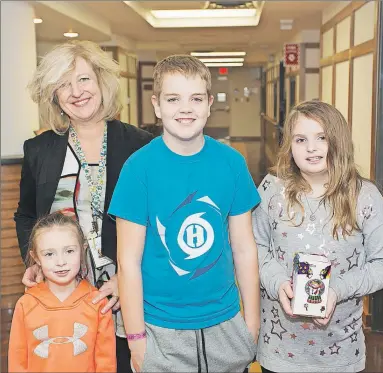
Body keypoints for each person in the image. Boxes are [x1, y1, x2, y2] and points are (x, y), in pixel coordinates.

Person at [108, 55, 261, 372]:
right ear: (157, 105)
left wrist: (252, 323)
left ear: (209, 104)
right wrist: (136, 338)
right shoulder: (139, 169)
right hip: (158, 326)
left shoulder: (231, 163)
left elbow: (244, 248)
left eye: (195, 98)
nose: (185, 108)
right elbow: (128, 262)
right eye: (173, 99)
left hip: (225, 322)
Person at [14, 40, 152, 373]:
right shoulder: (38, 150)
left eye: (83, 79)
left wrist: (126, 276)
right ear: (54, 97)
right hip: (66, 292)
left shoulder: (140, 145)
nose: (76, 91)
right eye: (63, 85)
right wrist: (33, 258)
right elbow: (27, 214)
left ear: (101, 82)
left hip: (125, 291)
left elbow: (156, 220)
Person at [252, 100, 383, 372]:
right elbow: (255, 246)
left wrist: (337, 290)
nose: (312, 147)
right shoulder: (272, 190)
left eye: (322, 138)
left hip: (341, 352)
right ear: (289, 146)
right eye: (301, 139)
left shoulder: (364, 196)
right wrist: (276, 282)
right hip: (278, 350)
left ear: (339, 141)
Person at [9, 212, 116, 372]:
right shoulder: (26, 305)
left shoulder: (98, 303)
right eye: (49, 254)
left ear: (82, 249)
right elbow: (17, 361)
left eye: (69, 251)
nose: (60, 262)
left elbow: (106, 363)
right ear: (36, 257)